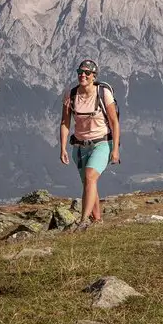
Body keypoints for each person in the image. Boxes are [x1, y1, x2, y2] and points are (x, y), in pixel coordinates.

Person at [59, 59, 120, 229]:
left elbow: (114, 122)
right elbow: (65, 122)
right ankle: (97, 220)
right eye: (80, 72)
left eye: (86, 73)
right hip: (79, 146)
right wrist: (63, 147)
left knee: (90, 177)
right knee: (88, 183)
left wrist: (115, 149)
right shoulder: (70, 95)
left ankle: (83, 220)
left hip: (102, 143)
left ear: (94, 76)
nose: (82, 76)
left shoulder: (103, 93)